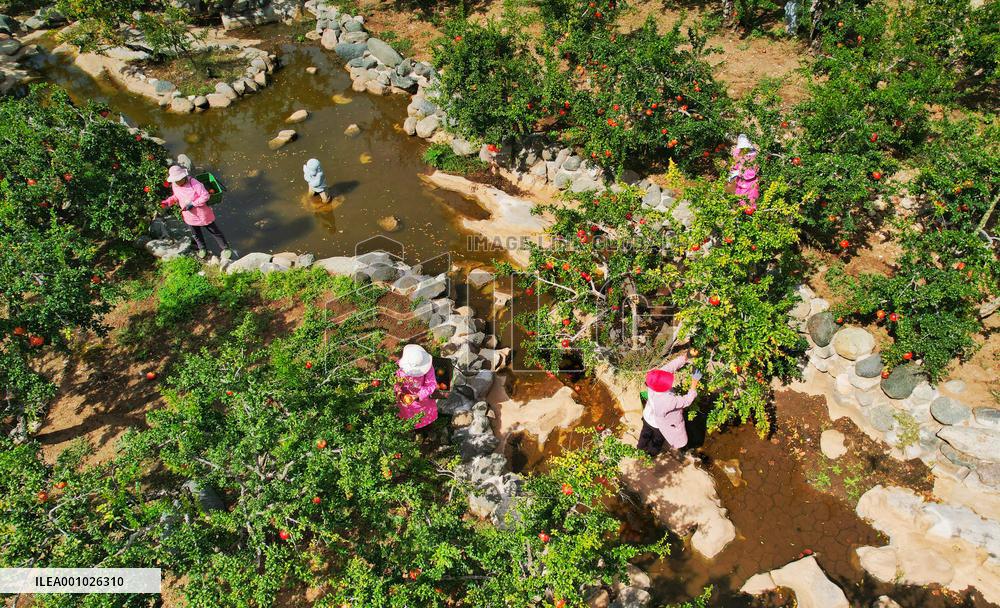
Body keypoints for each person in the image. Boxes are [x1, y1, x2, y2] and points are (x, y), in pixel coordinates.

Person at [161, 165, 234, 260]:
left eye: (179, 180)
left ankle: (225, 248)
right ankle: (202, 248)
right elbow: (176, 196)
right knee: (196, 234)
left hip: (202, 214)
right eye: (175, 180)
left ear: (184, 177)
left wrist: (193, 204)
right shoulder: (175, 185)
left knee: (214, 231)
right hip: (189, 215)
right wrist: (168, 201)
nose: (177, 182)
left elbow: (205, 196)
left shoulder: (194, 183)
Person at [637, 354, 701, 457]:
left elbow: (668, 368)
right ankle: (651, 453)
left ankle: (640, 447)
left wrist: (685, 357)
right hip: (658, 425)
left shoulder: (652, 382)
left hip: (647, 416)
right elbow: (687, 401)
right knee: (657, 439)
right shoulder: (668, 400)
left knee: (645, 432)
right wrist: (694, 383)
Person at [394, 344, 438, 430]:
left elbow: (431, 385)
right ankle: (412, 429)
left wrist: (418, 396)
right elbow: (396, 381)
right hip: (404, 399)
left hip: (422, 400)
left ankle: (427, 428)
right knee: (408, 416)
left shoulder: (428, 369)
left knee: (424, 416)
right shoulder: (400, 367)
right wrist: (398, 391)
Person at [729, 134, 760, 210]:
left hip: (750, 183)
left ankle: (750, 214)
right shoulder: (738, 152)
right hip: (740, 182)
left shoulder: (752, 157)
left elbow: (751, 173)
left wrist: (739, 173)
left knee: (750, 201)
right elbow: (736, 164)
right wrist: (733, 171)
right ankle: (740, 213)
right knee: (739, 199)